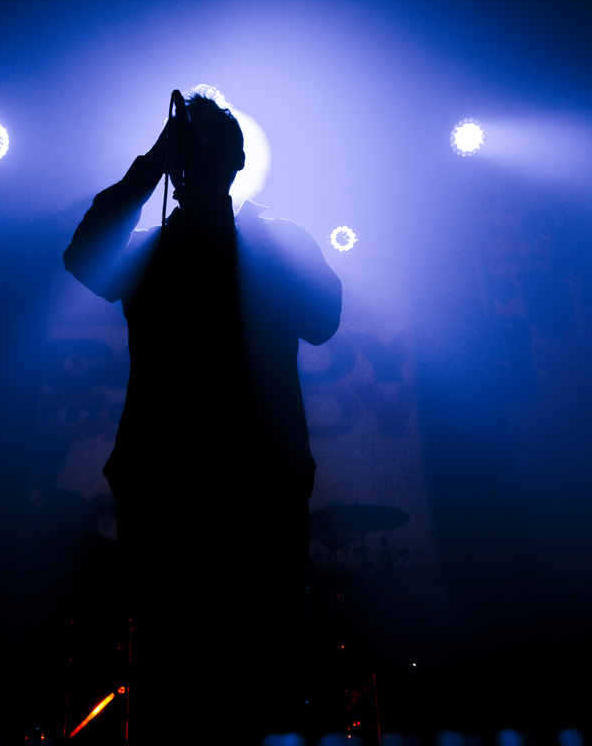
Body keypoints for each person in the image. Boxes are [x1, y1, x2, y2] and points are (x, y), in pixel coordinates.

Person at [64, 91, 341, 744]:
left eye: (215, 149)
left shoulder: (272, 244)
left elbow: (323, 320)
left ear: (238, 161)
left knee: (263, 650)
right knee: (170, 650)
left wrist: (264, 240)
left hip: (258, 482)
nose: (204, 161)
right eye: (197, 150)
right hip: (169, 479)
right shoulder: (155, 250)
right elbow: (84, 257)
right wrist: (151, 164)